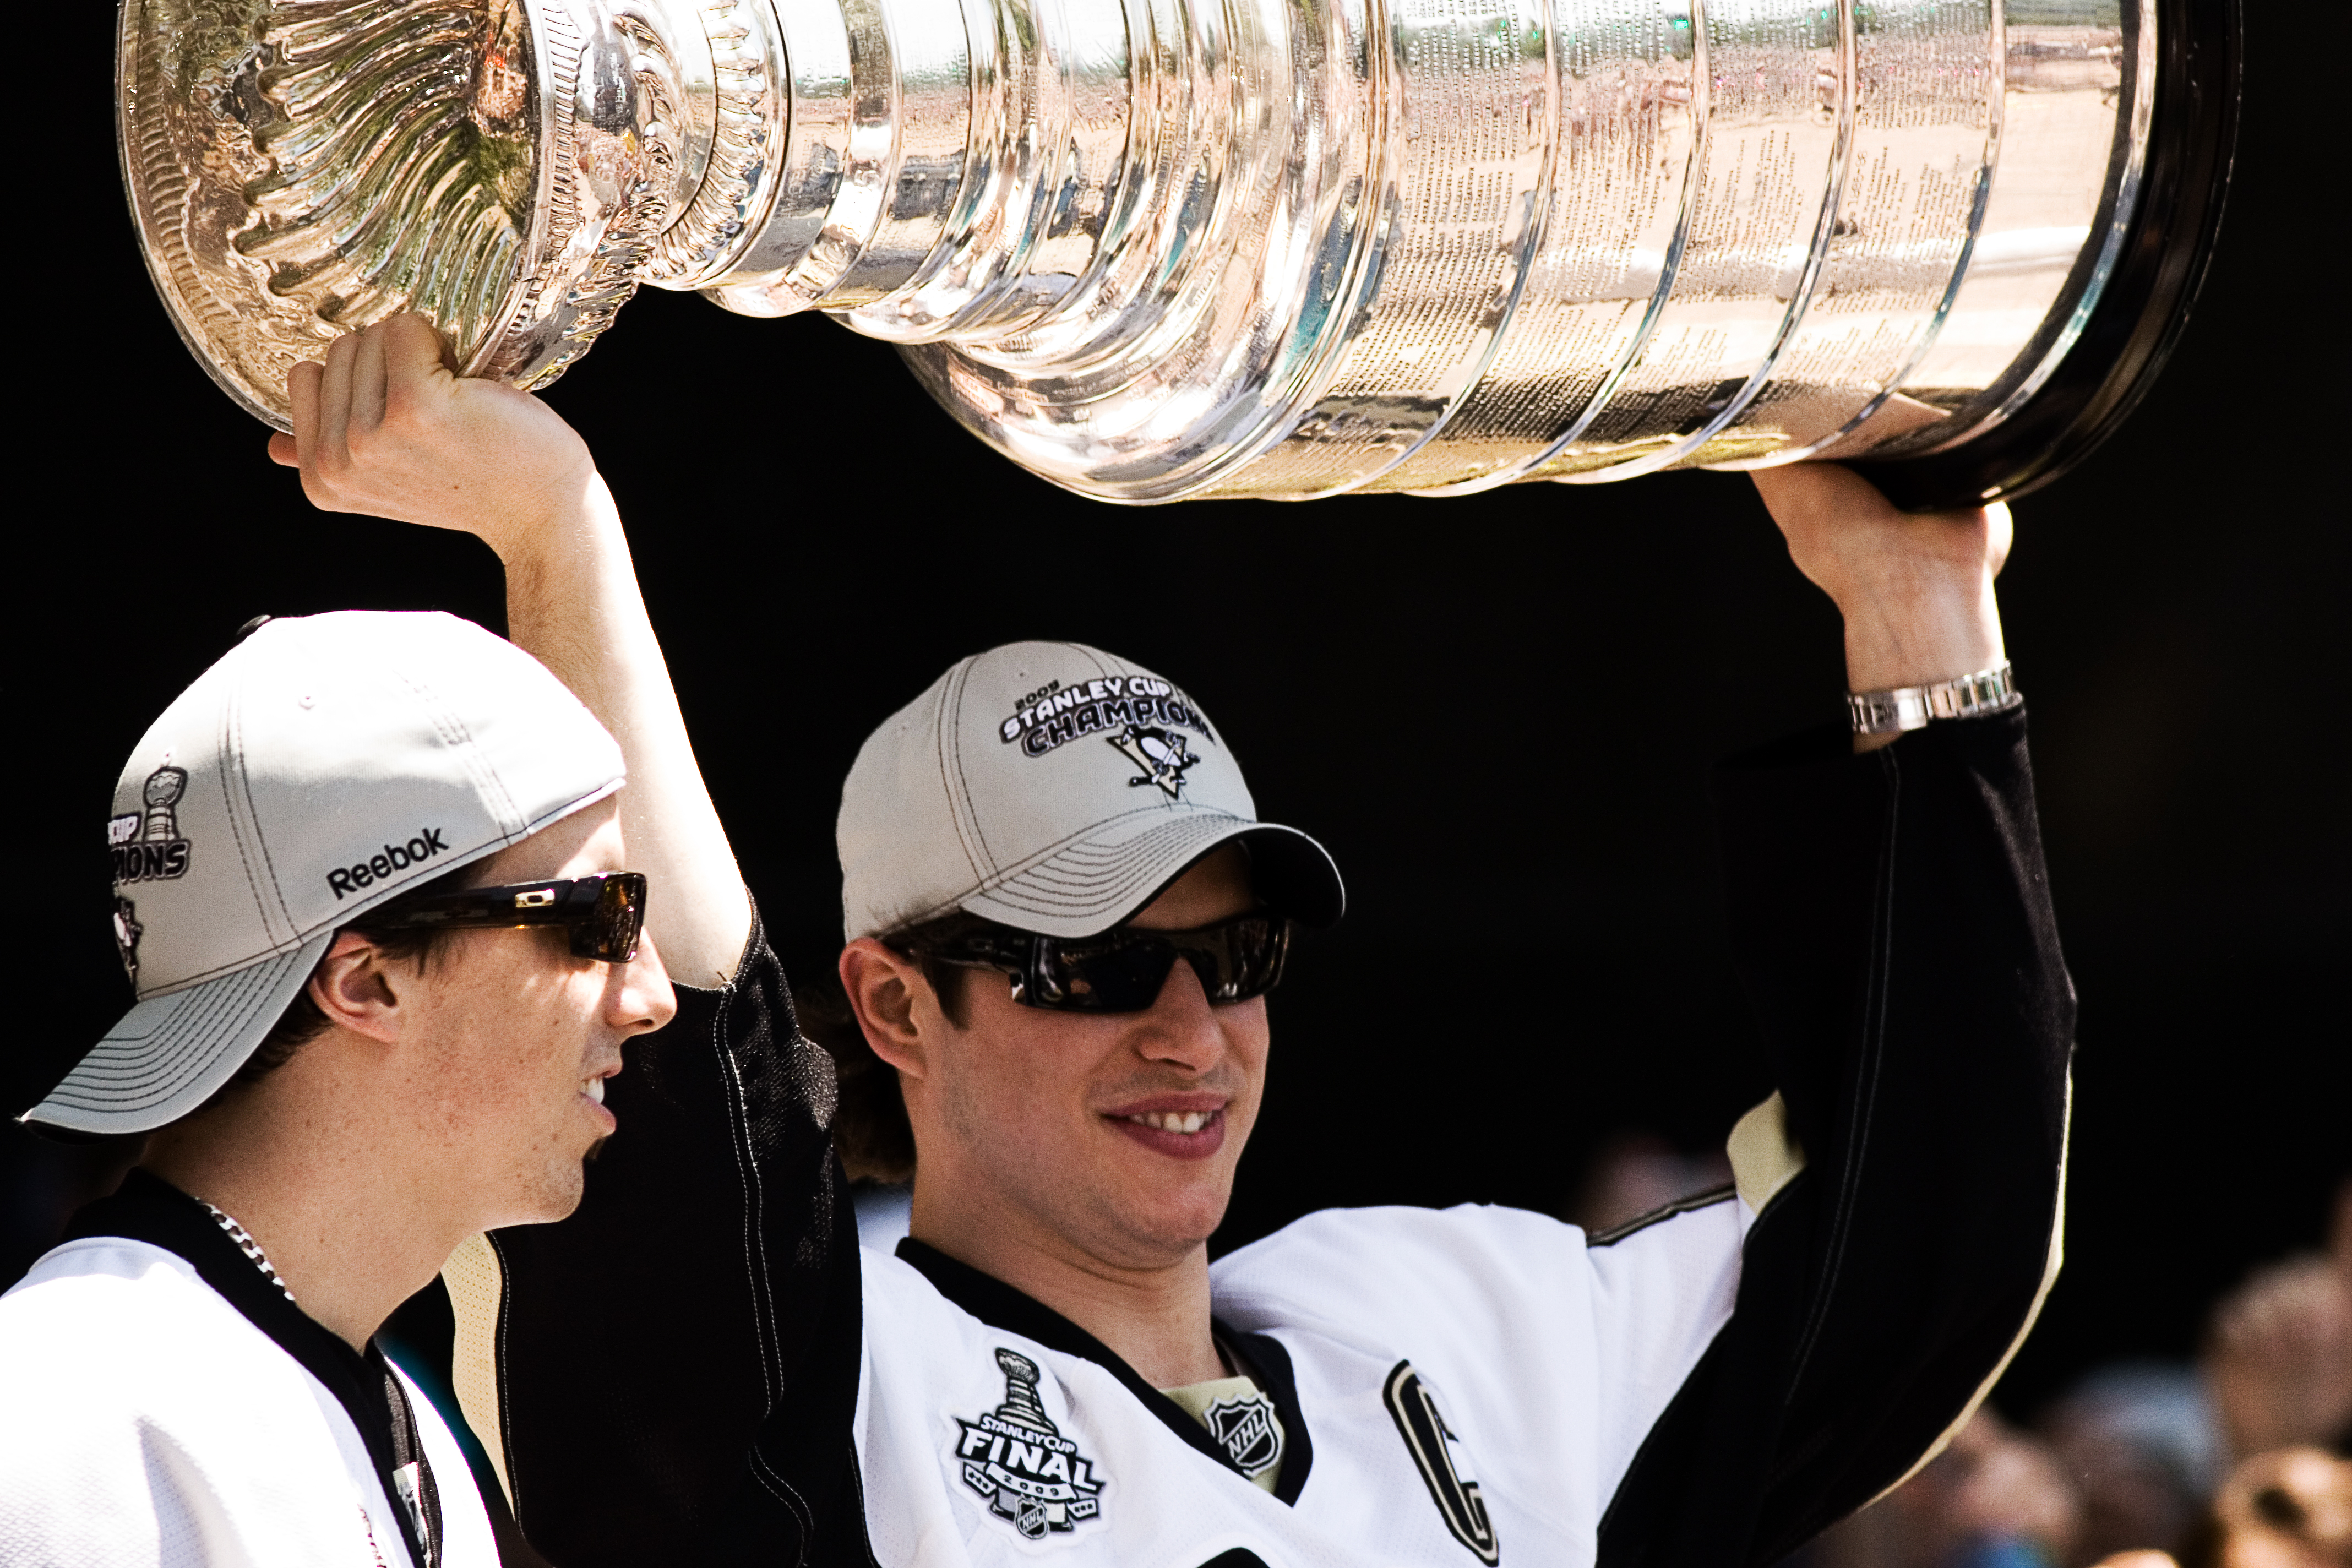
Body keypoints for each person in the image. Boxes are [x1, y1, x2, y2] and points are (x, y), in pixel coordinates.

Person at [273, 320, 2073, 1568]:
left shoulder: (1454, 1326)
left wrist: (1916, 618)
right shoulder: (836, 1386)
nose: (1191, 1027)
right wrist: (553, 527)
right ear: (893, 1000)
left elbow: (1924, 1243)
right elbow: (680, 1141)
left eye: (1239, 954)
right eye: (1094, 962)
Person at [0, 312, 745, 1567]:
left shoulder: (407, 1426)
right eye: (598, 920)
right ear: (368, 976)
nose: (651, 992)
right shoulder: (70, 1406)